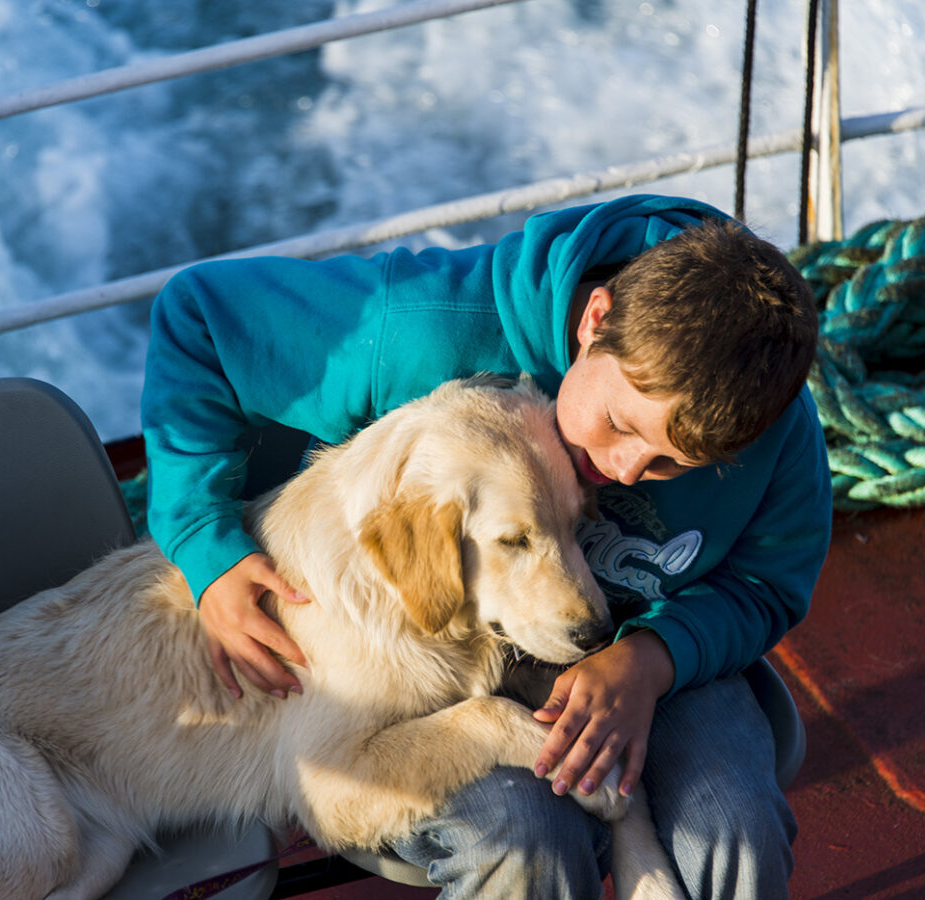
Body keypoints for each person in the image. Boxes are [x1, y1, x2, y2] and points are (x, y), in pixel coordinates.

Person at [141, 194, 832, 899]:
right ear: (595, 321)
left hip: (667, 644)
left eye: (673, 463)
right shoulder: (425, 326)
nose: (624, 469)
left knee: (732, 829)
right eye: (620, 423)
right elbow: (200, 317)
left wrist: (652, 659)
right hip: (440, 658)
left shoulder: (764, 421)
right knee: (524, 839)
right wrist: (205, 544)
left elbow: (765, 586)